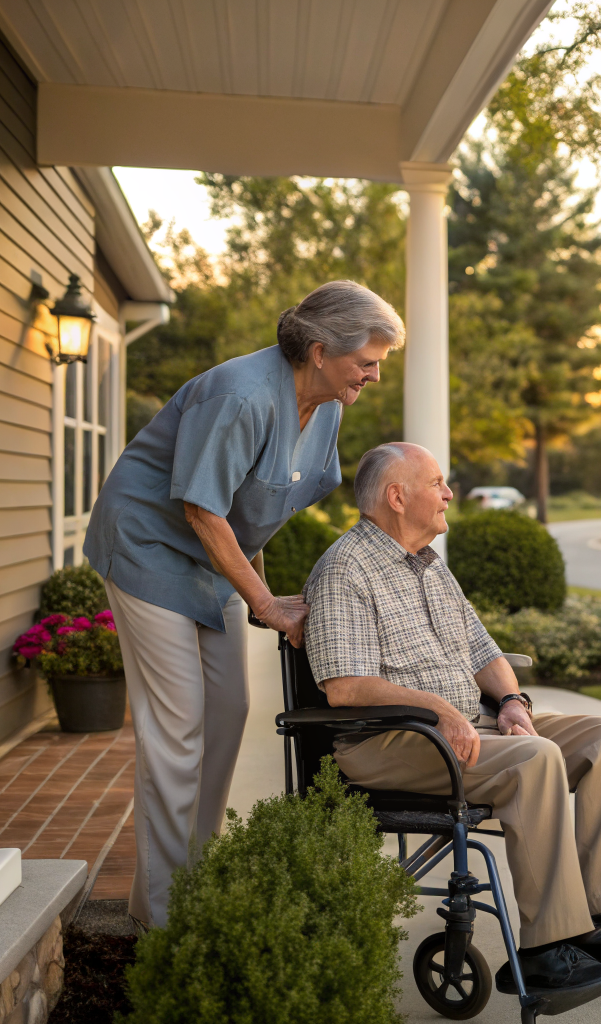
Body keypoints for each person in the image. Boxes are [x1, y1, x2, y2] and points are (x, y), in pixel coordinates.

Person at [302, 442, 601, 994]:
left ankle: (597, 923)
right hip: (393, 741)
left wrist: (510, 704)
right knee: (536, 758)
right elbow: (345, 687)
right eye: (437, 483)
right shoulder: (345, 570)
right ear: (396, 496)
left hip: (465, 727)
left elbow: (486, 652)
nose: (449, 494)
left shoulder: (432, 567)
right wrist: (441, 712)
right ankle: (544, 950)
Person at [84, 281, 403, 927]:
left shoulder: (328, 404)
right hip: (149, 549)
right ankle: (165, 921)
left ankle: (192, 881)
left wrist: (261, 596)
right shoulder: (239, 395)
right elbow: (202, 506)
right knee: (177, 730)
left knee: (229, 709)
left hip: (212, 560)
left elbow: (257, 505)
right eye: (366, 361)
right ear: (319, 350)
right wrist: (264, 602)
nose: (373, 374)